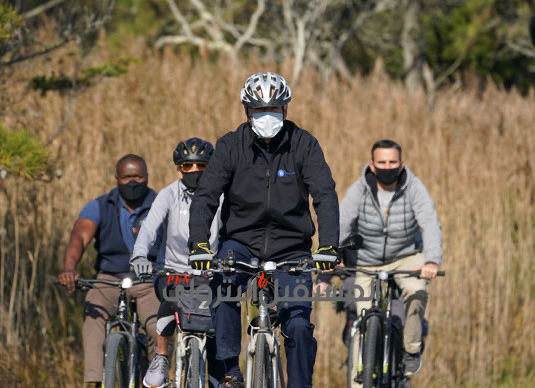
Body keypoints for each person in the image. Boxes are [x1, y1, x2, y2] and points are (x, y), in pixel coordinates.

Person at [186, 72, 340, 388]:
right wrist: (199, 244)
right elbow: (205, 196)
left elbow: (324, 193)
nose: (267, 117)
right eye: (259, 111)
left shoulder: (304, 144)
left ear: (285, 110)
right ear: (247, 112)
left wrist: (328, 245)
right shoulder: (230, 145)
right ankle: (229, 369)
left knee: (297, 325)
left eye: (274, 110)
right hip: (240, 243)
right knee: (224, 286)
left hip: (292, 248)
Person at [336, 139, 442, 384]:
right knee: (360, 319)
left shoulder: (414, 188)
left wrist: (432, 261)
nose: (387, 166)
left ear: (401, 164)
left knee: (417, 293)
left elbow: (430, 223)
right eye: (381, 162)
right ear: (372, 165)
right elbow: (342, 223)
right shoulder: (359, 190)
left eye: (392, 162)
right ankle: (358, 378)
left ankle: (411, 350)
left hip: (405, 258)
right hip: (367, 261)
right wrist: (336, 256)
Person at [58, 154, 163, 387]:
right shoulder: (100, 205)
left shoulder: (160, 204)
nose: (133, 182)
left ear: (147, 177)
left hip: (148, 281)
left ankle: (157, 379)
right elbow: (79, 238)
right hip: (108, 280)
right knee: (93, 316)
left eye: (138, 176)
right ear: (116, 178)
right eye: (127, 177)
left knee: (159, 326)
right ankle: (95, 380)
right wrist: (69, 268)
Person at [129, 138, 223, 388]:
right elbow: (149, 229)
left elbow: (233, 231)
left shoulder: (223, 197)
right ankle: (161, 356)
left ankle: (217, 374)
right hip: (173, 271)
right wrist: (139, 255)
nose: (194, 171)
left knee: (219, 316)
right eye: (187, 166)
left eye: (201, 165)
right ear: (178, 169)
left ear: (211, 167)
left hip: (209, 274)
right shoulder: (168, 195)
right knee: (172, 296)